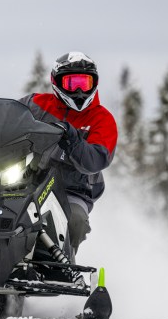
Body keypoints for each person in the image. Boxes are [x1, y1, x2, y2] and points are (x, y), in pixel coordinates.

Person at [19, 51, 118, 256]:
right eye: (72, 83)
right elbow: (6, 115)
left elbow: (94, 161)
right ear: (57, 83)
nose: (80, 90)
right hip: (31, 180)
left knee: (75, 221)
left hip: (73, 190)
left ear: (94, 83)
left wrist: (73, 140)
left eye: (85, 83)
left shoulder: (102, 120)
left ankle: (63, 263)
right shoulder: (37, 105)